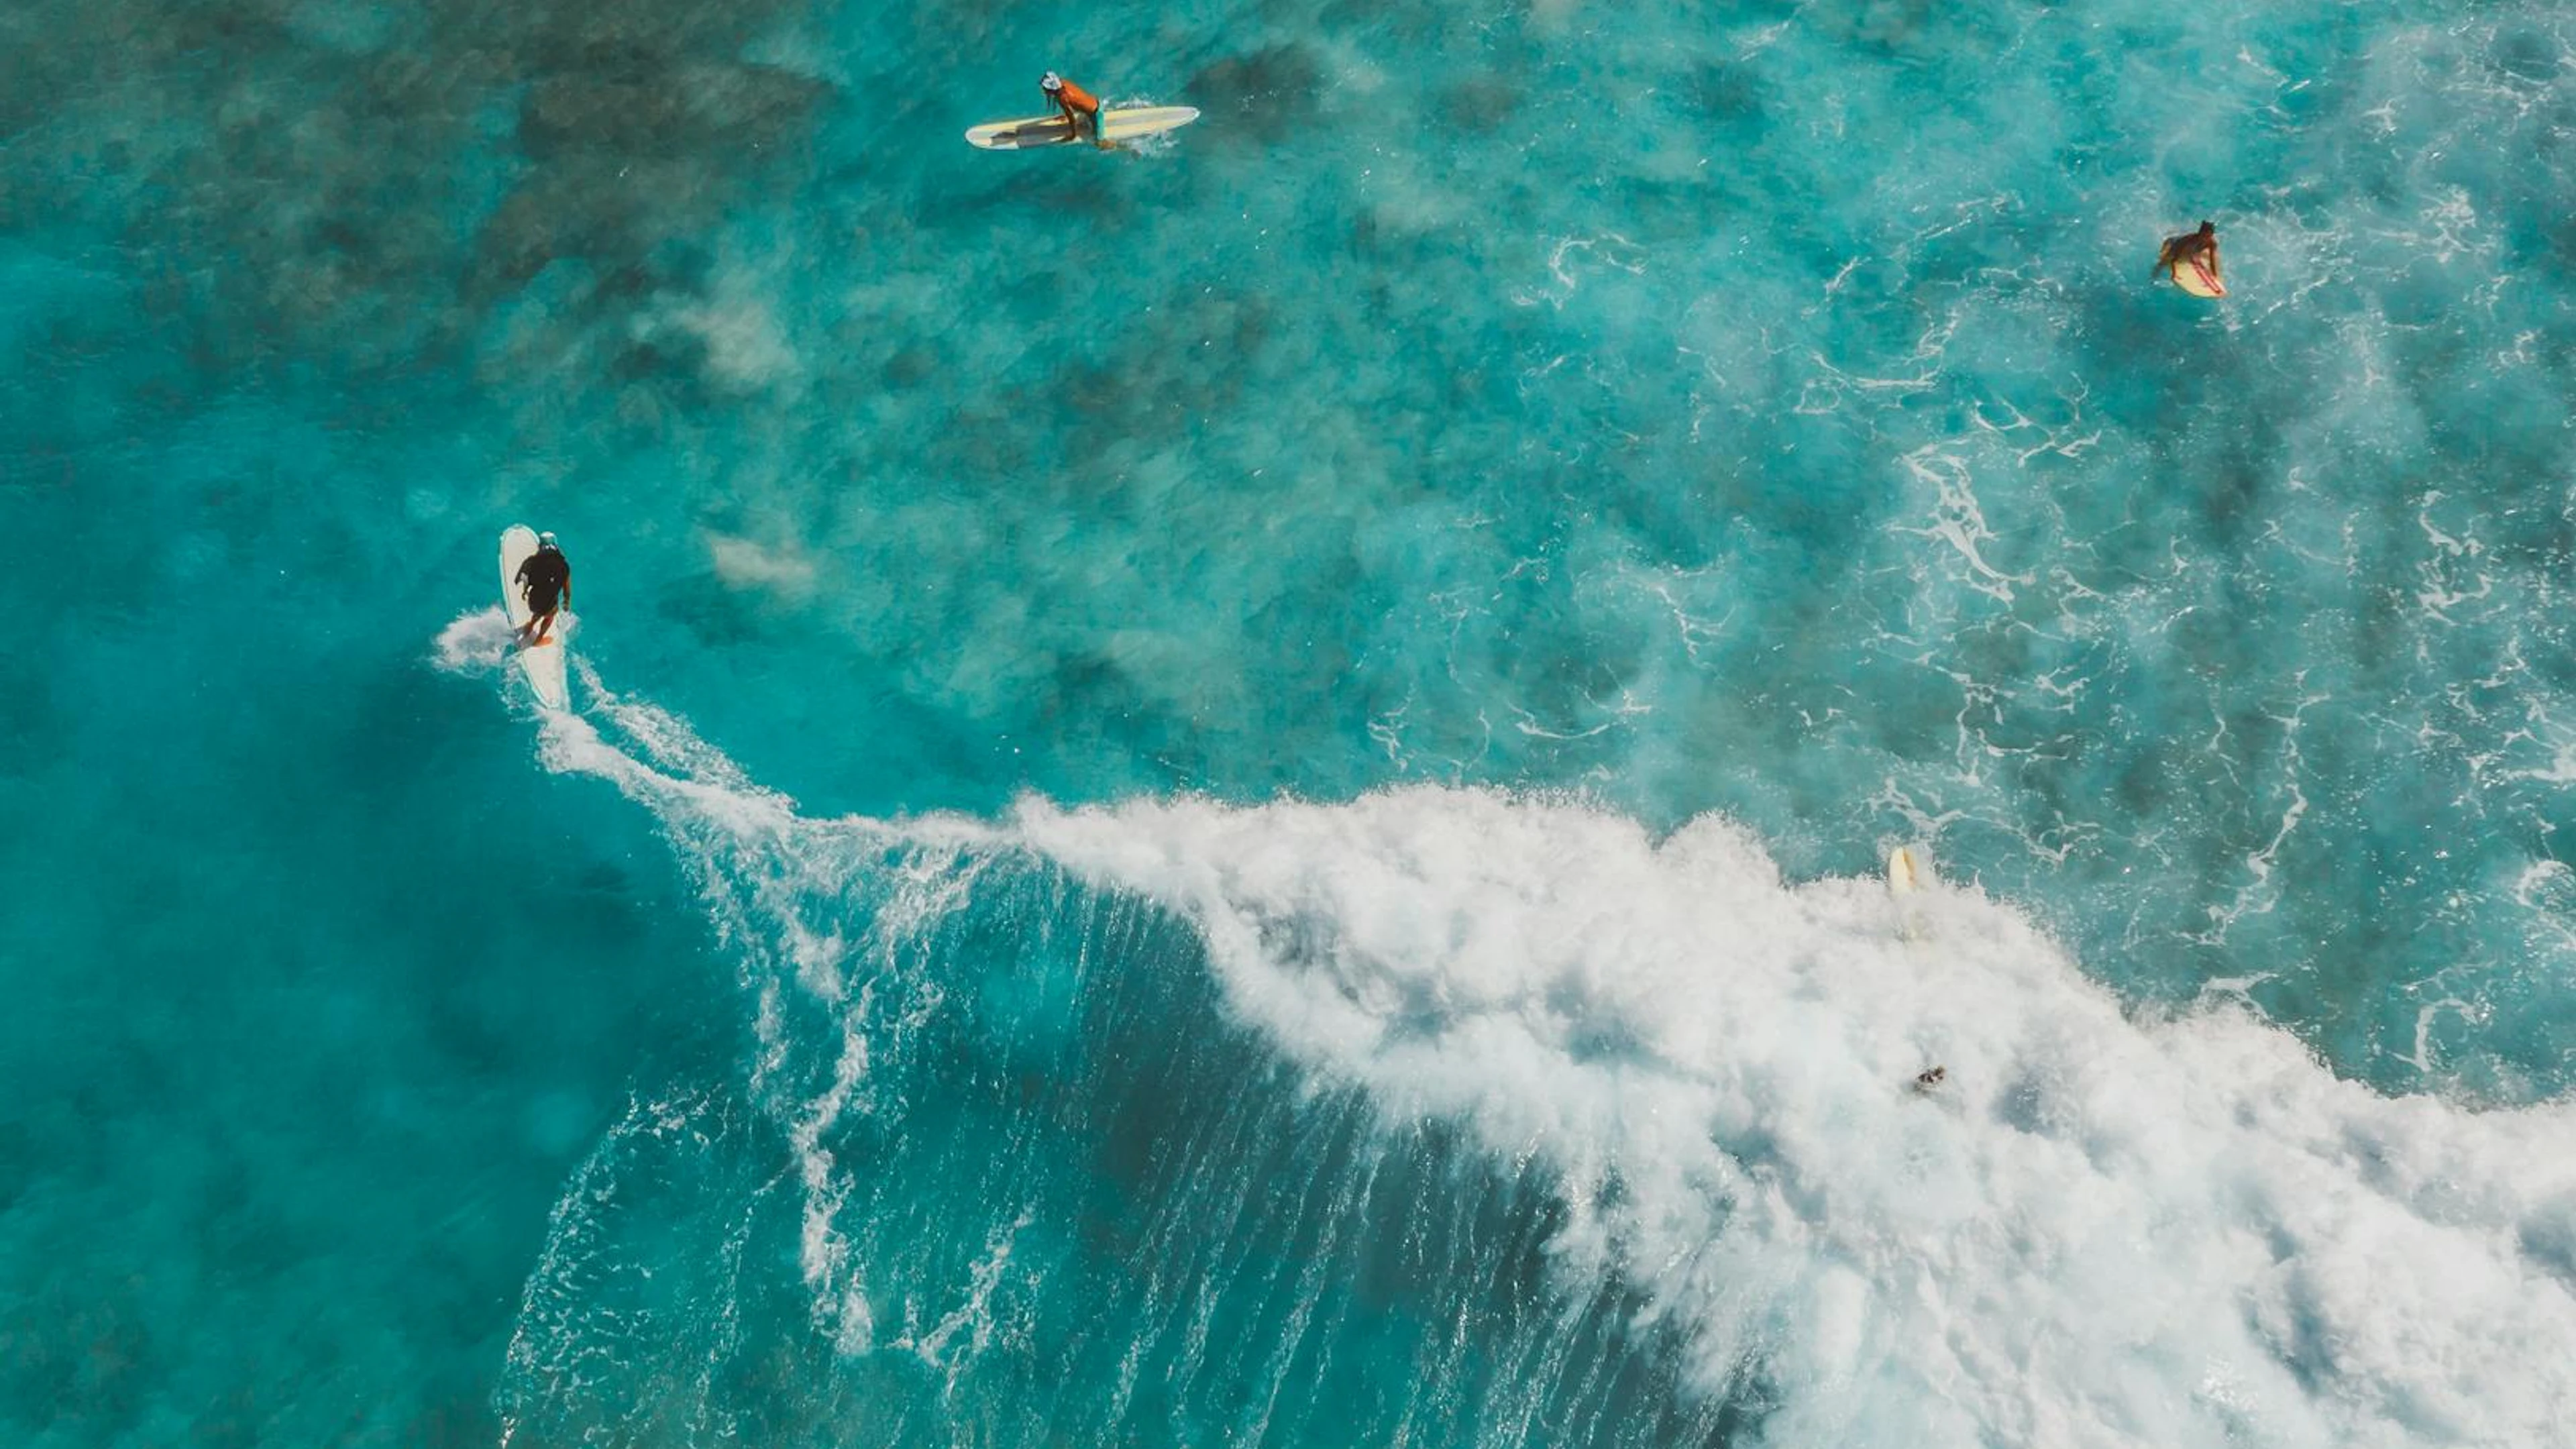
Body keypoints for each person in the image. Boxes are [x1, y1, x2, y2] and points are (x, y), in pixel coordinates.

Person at [515, 531, 572, 647]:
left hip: (533, 601)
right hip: (549, 605)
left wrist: (525, 591)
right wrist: (567, 602)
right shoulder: (564, 566)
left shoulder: (531, 561)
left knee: (539, 610)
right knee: (550, 616)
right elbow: (567, 589)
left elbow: (524, 578)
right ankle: (539, 639)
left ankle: (530, 626)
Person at [1041, 71, 1106, 148]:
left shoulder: (1063, 99)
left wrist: (1073, 136)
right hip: (1095, 103)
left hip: (1097, 113)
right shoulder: (1063, 83)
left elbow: (1072, 120)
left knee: (1099, 144)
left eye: (1045, 88)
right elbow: (1075, 100)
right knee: (1084, 124)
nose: (1043, 89)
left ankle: (1118, 147)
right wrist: (1066, 114)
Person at [2153, 220, 2218, 284]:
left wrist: (2215, 276)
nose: (2205, 238)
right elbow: (2174, 259)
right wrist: (2174, 274)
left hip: (2190, 246)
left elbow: (2212, 261)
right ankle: (2154, 276)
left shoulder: (2212, 243)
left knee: (2199, 253)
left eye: (2208, 236)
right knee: (2164, 261)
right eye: (2203, 235)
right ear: (2199, 233)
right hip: (2174, 243)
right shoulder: (2189, 240)